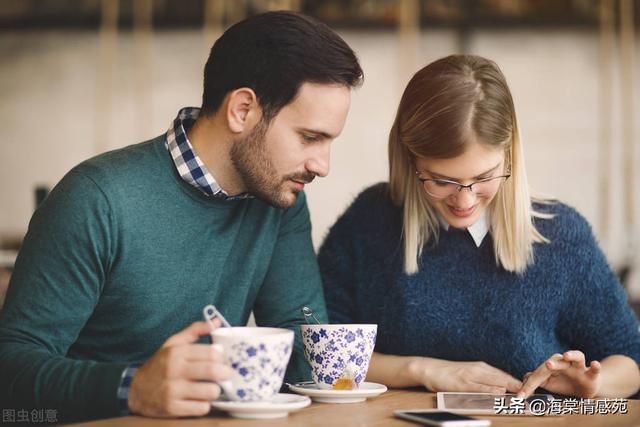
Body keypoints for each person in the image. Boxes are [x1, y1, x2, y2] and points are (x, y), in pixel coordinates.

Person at [0, 11, 362, 422]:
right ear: (242, 110)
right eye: (310, 137)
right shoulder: (96, 199)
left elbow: (302, 352)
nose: (322, 165)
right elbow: (10, 371)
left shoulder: (280, 200)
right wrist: (131, 387)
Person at [318, 54, 640, 400]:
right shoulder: (370, 221)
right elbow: (320, 350)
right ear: (410, 159)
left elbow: (630, 358)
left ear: (510, 155)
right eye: (442, 181)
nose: (465, 200)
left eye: (484, 177)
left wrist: (595, 385)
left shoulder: (560, 236)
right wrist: (424, 370)